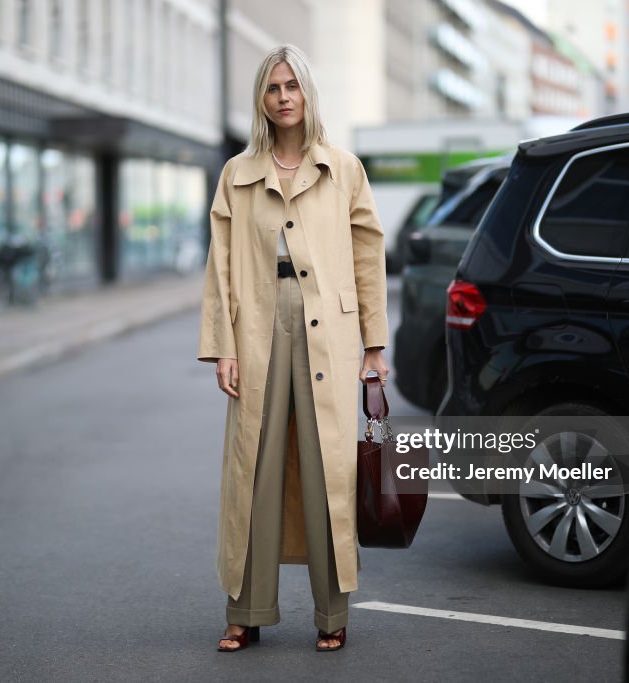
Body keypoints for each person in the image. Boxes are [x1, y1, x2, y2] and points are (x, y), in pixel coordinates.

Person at [197, 44, 389, 653]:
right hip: (258, 322)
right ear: (262, 98)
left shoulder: (344, 169)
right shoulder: (237, 173)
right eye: (273, 87)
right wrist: (222, 346)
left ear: (308, 93)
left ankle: (332, 616)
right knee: (252, 465)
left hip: (327, 330)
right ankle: (245, 610)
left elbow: (368, 259)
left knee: (326, 465)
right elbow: (221, 267)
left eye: (292, 86)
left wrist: (374, 346)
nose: (283, 97)